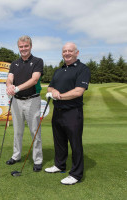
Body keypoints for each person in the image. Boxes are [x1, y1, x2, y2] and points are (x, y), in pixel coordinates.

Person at [45, 42, 91, 185]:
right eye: (64, 51)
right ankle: (60, 165)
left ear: (77, 53)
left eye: (70, 51)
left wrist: (59, 96)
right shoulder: (59, 70)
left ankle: (76, 174)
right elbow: (50, 87)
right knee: (59, 141)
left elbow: (79, 91)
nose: (67, 53)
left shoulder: (83, 69)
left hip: (72, 111)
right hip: (58, 111)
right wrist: (53, 92)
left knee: (75, 143)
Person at [6, 35, 44, 172]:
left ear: (31, 46)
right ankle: (16, 156)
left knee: (34, 131)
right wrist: (10, 86)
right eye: (21, 47)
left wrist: (17, 88)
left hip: (32, 100)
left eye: (26, 46)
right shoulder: (14, 63)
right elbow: (9, 79)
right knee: (17, 131)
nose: (23, 49)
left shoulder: (37, 61)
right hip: (16, 101)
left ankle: (38, 159)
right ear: (18, 48)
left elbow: (34, 80)